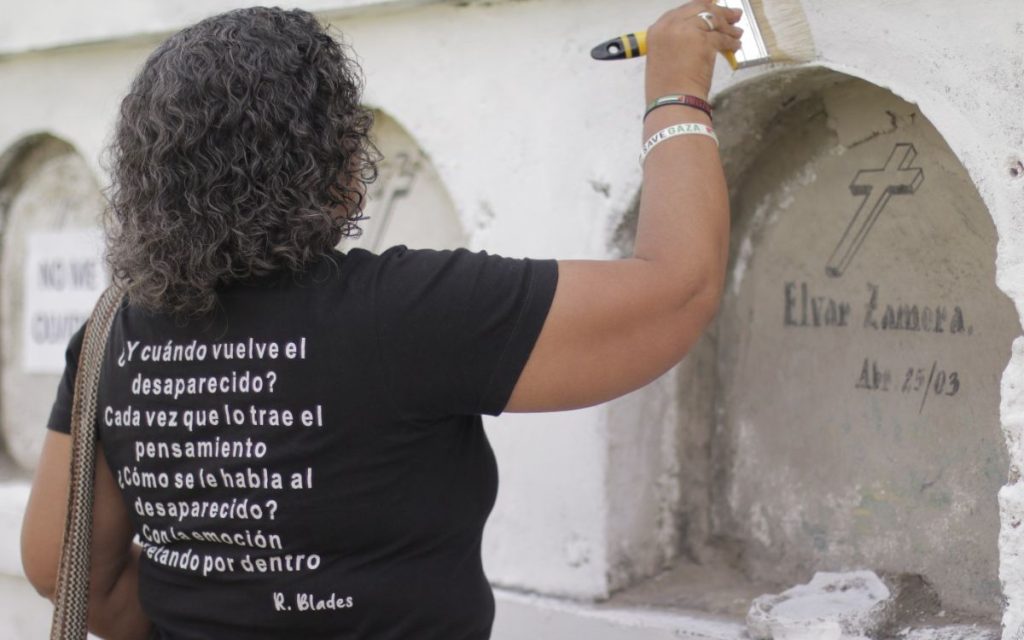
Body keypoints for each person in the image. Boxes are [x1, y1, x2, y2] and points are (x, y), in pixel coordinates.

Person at [20, 3, 741, 639]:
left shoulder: (112, 334)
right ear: (333, 158)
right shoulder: (406, 312)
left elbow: (60, 566)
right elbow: (676, 292)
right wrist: (675, 93)